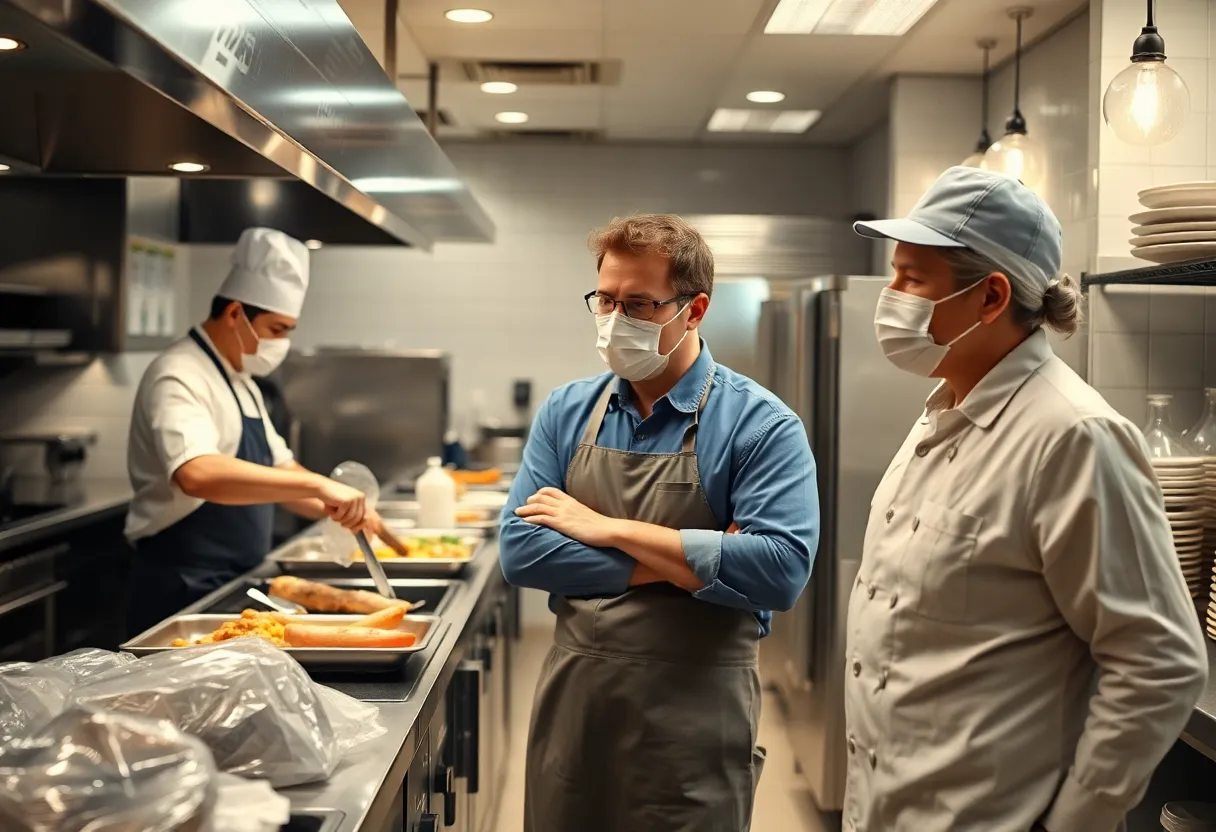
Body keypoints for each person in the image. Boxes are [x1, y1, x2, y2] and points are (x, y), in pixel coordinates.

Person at [845, 166, 1208, 832]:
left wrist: (1076, 821)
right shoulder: (941, 411)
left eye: (911, 279)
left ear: (990, 298)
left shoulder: (1072, 436)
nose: (889, 297)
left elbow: (1159, 661)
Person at [500, 213, 820, 832]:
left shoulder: (760, 425)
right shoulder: (568, 411)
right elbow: (522, 553)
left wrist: (609, 528)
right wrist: (695, 561)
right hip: (577, 707)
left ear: (694, 310)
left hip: (694, 721)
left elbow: (779, 571)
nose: (616, 320)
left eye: (640, 305)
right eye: (606, 300)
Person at [124, 228, 397, 635]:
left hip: (232, 580)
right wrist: (322, 488)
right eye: (276, 330)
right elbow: (196, 473)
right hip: (181, 585)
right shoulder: (178, 374)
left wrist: (338, 507)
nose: (282, 343)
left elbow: (283, 468)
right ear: (235, 314)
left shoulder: (240, 379)